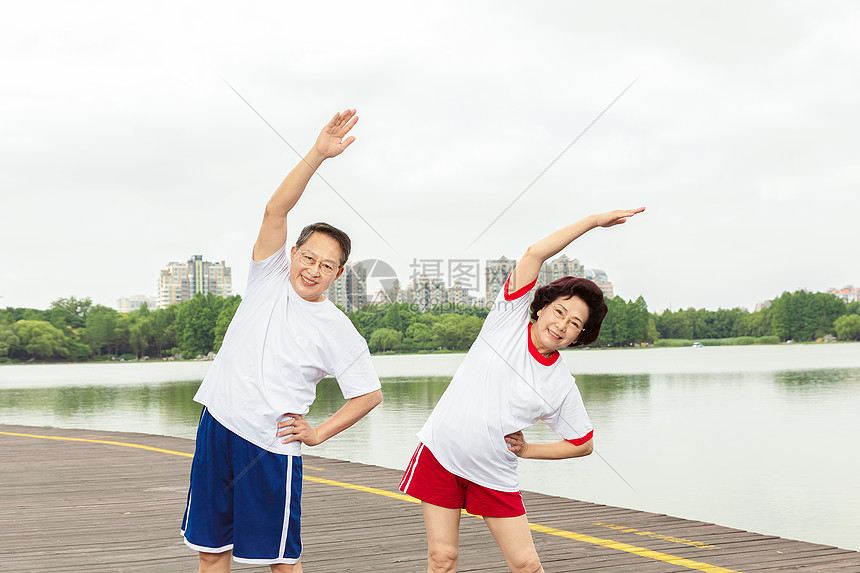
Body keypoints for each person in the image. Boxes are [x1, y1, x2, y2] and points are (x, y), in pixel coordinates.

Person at [181, 109, 384, 572]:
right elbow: (276, 210)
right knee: (211, 552)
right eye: (307, 257)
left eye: (326, 265)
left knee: (279, 561)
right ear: (292, 254)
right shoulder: (267, 278)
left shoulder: (337, 328)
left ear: (339, 272)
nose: (312, 270)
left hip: (269, 447)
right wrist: (317, 154)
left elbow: (369, 393)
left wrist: (318, 433)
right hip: (218, 427)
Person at [399, 208, 644, 573]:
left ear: (580, 336)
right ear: (543, 307)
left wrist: (529, 450)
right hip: (441, 453)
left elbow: (583, 444)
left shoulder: (560, 383)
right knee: (442, 557)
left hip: (494, 472)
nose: (562, 325)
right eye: (560, 312)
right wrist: (593, 222)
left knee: (526, 564)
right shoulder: (507, 321)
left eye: (575, 323)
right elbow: (535, 254)